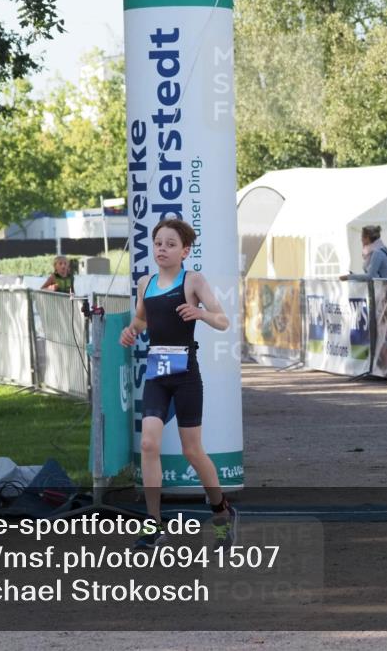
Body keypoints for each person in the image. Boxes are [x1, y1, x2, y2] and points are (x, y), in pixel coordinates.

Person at [119, 219, 238, 551]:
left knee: (192, 450)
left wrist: (200, 314)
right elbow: (142, 319)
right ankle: (155, 527)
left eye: (170, 244)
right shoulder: (145, 283)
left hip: (186, 373)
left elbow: (223, 319)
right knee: (148, 445)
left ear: (185, 251)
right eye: (158, 243)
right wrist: (132, 330)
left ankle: (221, 512)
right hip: (158, 371)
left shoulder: (193, 280)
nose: (162, 249)